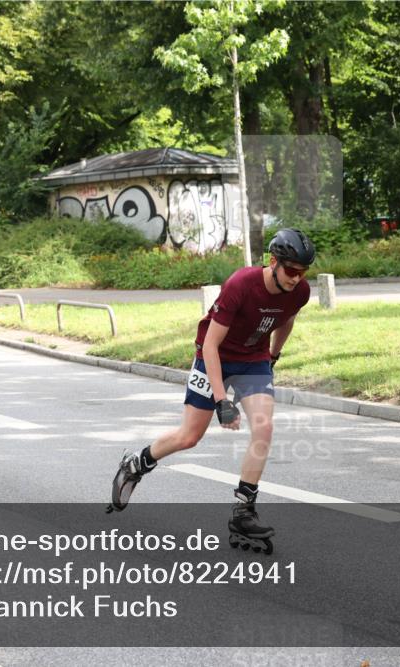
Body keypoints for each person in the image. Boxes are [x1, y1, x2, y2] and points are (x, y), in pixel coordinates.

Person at [106, 229, 316, 554]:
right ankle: (136, 463)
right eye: (291, 270)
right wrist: (222, 401)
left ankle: (244, 511)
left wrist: (274, 355)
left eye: (303, 272)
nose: (297, 278)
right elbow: (211, 345)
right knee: (190, 437)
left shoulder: (299, 290)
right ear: (273, 262)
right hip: (214, 358)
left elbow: (286, 319)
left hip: (253, 359)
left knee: (264, 426)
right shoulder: (241, 285)